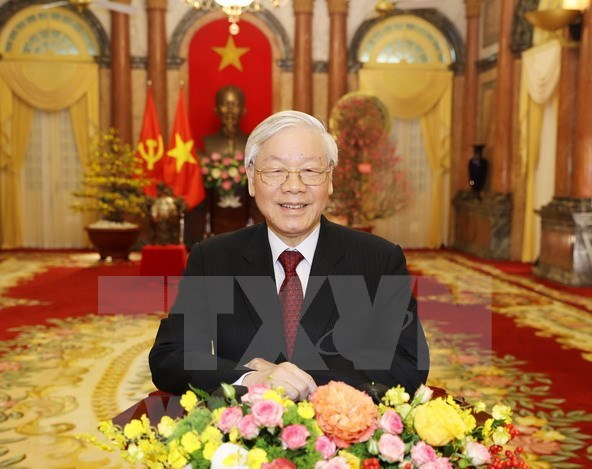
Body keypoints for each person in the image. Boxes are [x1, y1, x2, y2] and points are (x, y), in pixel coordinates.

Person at [149, 110, 429, 401]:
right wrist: (251, 378)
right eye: (275, 171)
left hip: (342, 439)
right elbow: (171, 356)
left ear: (330, 179)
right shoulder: (213, 258)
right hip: (238, 438)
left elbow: (407, 363)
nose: (293, 186)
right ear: (251, 180)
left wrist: (294, 379)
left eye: (309, 170)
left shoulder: (378, 259)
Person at [202, 85, 248, 156]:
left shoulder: (251, 143)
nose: (230, 110)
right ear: (216, 110)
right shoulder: (208, 142)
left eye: (235, 104)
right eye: (224, 104)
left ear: (243, 111)